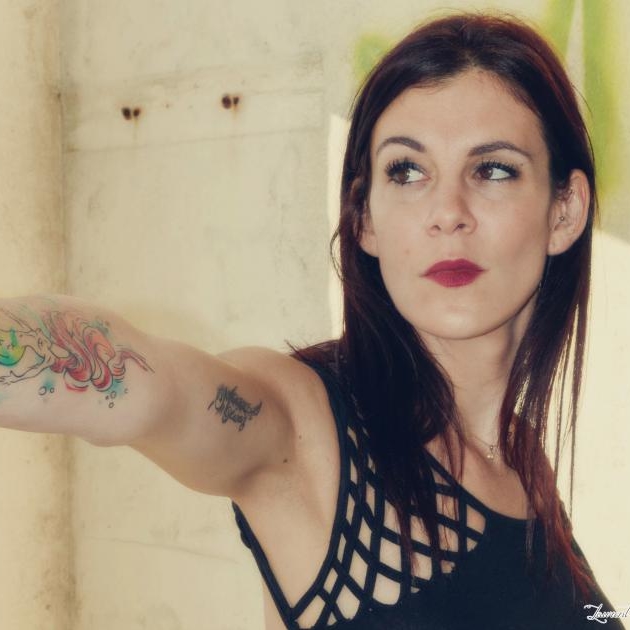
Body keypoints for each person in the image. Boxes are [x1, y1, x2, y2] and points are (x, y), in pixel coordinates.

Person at [0, 12, 625, 630]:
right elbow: (143, 387)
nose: (447, 211)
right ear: (365, 220)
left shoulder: (524, 462)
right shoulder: (301, 430)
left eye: (492, 170)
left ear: (564, 211)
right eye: (407, 171)